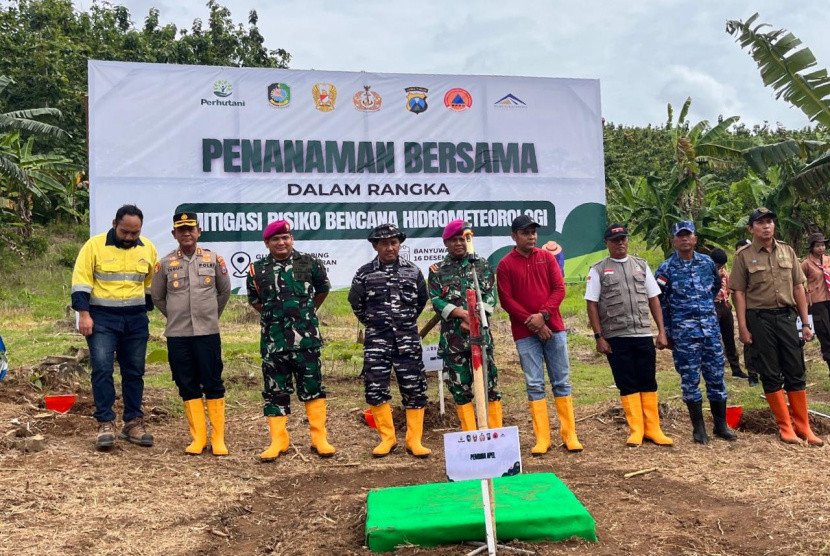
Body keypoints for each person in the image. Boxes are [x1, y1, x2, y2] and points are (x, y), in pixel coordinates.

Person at [730, 208, 823, 446]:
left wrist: (805, 322)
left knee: (795, 369)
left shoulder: (787, 251)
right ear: (751, 228)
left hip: (786, 317)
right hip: (760, 319)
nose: (766, 226)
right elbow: (739, 293)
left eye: (769, 221)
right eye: (760, 222)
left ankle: (803, 426)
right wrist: (743, 328)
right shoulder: (743, 256)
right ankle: (785, 427)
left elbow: (798, 287)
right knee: (770, 372)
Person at [247, 220, 336, 461]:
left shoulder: (309, 263)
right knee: (275, 391)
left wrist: (304, 313)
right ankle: (279, 441)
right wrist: (275, 317)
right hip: (274, 342)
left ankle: (319, 439)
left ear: (292, 239)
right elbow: (255, 300)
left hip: (306, 340)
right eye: (275, 239)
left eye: (285, 237)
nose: (281, 242)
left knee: (313, 388)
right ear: (267, 243)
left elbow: (322, 290)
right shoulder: (257, 269)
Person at [71, 204, 157, 450]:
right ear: (114, 224)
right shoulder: (94, 246)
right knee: (102, 369)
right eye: (124, 232)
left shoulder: (148, 248)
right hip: (102, 319)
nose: (129, 237)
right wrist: (84, 315)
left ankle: (133, 423)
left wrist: (148, 311)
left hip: (135, 320)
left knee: (134, 371)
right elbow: (81, 282)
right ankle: (105, 423)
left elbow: (150, 285)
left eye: (134, 233)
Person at [497, 215, 582, 453]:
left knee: (561, 382)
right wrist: (534, 323)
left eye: (533, 232)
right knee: (534, 384)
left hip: (554, 328)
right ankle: (542, 439)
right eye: (526, 233)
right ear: (514, 236)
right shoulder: (505, 265)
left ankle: (570, 435)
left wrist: (543, 316)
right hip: (524, 333)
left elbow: (559, 289)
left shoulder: (547, 257)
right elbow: (506, 300)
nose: (531, 236)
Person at [585, 223, 673, 447]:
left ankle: (653, 428)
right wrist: (598, 337)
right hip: (616, 335)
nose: (620, 243)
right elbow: (592, 304)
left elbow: (654, 299)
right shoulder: (598, 270)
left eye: (623, 239)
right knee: (627, 382)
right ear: (607, 243)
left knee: (648, 379)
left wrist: (661, 331)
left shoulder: (641, 265)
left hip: (642, 333)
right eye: (615, 240)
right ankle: (636, 429)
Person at [151, 212, 231, 455]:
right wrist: (176, 316)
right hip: (178, 335)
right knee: (186, 382)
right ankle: (198, 438)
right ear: (174, 234)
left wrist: (209, 315)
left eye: (190, 229)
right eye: (181, 230)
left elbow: (224, 292)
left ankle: (218, 439)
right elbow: (158, 297)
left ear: (199, 232)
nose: (186, 233)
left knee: (213, 381)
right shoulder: (165, 264)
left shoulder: (213, 259)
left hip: (207, 332)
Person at [348, 224, 431, 458]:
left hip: (407, 340)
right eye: (384, 243)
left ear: (399, 244)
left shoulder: (413, 271)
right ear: (375, 246)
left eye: (394, 243)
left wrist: (404, 322)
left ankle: (414, 441)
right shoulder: (364, 273)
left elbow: (420, 300)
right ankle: (387, 438)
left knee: (415, 388)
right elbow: (356, 303)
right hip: (377, 341)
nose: (390, 247)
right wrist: (375, 323)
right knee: (375, 388)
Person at [655, 222, 736, 444]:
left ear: (695, 239)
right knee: (690, 380)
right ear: (674, 240)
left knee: (716, 377)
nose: (684, 239)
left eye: (688, 235)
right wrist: (666, 332)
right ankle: (698, 428)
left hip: (710, 330)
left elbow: (715, 287)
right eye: (680, 236)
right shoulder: (666, 269)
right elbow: (660, 302)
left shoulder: (707, 263)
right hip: (684, 334)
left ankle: (721, 425)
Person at [428, 220, 502, 433]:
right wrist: (461, 314)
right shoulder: (437, 270)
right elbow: (436, 300)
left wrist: (475, 316)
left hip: (481, 336)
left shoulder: (481, 265)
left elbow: (490, 296)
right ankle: (470, 433)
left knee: (490, 385)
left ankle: (494, 432)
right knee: (460, 388)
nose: (459, 243)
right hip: (454, 340)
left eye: (462, 239)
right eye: (454, 240)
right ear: (446, 243)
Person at [710, 248, 749, 380]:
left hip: (724, 305)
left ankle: (736, 369)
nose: (720, 268)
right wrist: (717, 277)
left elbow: (728, 289)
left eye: (722, 266)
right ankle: (715, 369)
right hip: (712, 306)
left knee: (729, 338)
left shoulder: (725, 273)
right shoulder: (706, 274)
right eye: (718, 266)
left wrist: (727, 302)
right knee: (714, 339)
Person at [801, 232, 830, 376]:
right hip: (817, 302)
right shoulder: (806, 264)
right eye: (818, 246)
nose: (821, 248)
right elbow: (799, 282)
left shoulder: (828, 260)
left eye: (823, 245)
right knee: (825, 334)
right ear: (812, 247)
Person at [735, 239, 760, 386]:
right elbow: (736, 292)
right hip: (748, 310)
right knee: (750, 344)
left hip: (763, 310)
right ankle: (752, 375)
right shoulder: (739, 265)